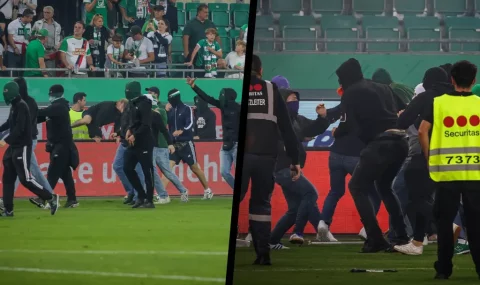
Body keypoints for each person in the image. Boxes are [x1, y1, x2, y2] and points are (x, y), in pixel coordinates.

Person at [336, 58, 409, 253]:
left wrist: (337, 133)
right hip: (401, 142)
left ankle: (375, 238)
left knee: (357, 186)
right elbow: (404, 108)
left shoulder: (351, 92)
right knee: (385, 187)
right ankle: (401, 236)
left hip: (380, 143)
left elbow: (347, 125)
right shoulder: (382, 87)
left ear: (345, 77)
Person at [418, 60, 480, 280]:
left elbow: (422, 131)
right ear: (474, 80)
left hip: (445, 172)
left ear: (451, 80)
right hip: (475, 174)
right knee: (476, 225)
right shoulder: (479, 104)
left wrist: (429, 158)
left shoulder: (438, 103)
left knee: (444, 223)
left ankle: (443, 270)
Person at [242, 54, 300, 265]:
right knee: (261, 205)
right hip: (266, 157)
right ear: (261, 70)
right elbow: (286, 128)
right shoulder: (270, 89)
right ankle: (263, 255)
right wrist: (295, 159)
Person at [393, 66, 454, 255]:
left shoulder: (425, 97)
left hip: (427, 153)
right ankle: (422, 240)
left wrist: (411, 116)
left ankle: (438, 230)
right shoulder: (455, 98)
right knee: (434, 197)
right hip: (456, 156)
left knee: (417, 196)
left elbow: (403, 123)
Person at [268, 82, 334, 248]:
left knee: (295, 209)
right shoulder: (276, 122)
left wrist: (322, 117)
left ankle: (272, 241)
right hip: (284, 168)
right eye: (291, 99)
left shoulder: (298, 120)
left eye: (296, 99)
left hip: (291, 167)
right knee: (311, 193)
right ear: (283, 102)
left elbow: (313, 129)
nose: (295, 102)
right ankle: (298, 232)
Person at [0, 81, 59, 217]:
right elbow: (10, 123)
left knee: (25, 178)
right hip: (14, 146)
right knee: (8, 178)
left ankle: (50, 197)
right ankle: (8, 210)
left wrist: (5, 140)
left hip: (22, 146)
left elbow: (20, 128)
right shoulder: (15, 105)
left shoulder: (22, 106)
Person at [187, 77, 240, 191]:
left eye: (222, 95)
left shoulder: (238, 108)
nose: (220, 97)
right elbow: (206, 97)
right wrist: (193, 86)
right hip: (225, 144)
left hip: (236, 143)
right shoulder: (222, 106)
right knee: (224, 172)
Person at [11, 77, 54, 210]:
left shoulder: (28, 102)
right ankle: (50, 197)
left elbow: (24, 123)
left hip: (27, 140)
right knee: (29, 170)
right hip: (23, 140)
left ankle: (50, 197)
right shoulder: (22, 102)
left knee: (24, 170)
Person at [165, 88, 214, 200]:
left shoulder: (186, 108)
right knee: (167, 169)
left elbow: (190, 123)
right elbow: (168, 125)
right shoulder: (171, 110)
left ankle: (207, 190)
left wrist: (182, 130)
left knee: (194, 168)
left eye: (170, 98)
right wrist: (167, 112)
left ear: (175, 98)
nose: (169, 101)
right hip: (175, 145)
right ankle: (162, 195)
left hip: (186, 143)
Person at [37, 84, 80, 208]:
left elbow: (43, 112)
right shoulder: (57, 107)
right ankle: (72, 199)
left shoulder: (59, 106)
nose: (51, 97)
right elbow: (41, 116)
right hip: (60, 145)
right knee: (65, 174)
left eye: (52, 95)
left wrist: (30, 108)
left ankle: (43, 198)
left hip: (61, 145)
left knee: (52, 172)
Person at [145, 86, 189, 203]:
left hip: (161, 144)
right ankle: (164, 194)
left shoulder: (161, 109)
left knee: (166, 172)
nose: (149, 94)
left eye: (151, 92)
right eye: (148, 92)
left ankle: (179, 191)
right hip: (153, 144)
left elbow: (163, 126)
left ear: (157, 95)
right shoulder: (157, 108)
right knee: (154, 170)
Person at [123, 81, 156, 209]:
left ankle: (149, 200)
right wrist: (128, 129)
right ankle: (141, 195)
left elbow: (146, 124)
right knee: (127, 167)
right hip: (134, 142)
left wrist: (134, 134)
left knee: (148, 171)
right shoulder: (132, 103)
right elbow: (134, 121)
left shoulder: (144, 104)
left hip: (144, 142)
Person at [31, 6, 62, 77]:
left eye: (48, 12)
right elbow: (31, 36)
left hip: (51, 52)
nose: (46, 14)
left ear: (52, 14)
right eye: (44, 12)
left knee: (51, 74)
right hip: (40, 51)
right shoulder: (37, 23)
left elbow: (58, 38)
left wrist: (57, 48)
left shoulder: (57, 26)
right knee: (38, 73)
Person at [7, 8, 34, 77]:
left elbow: (28, 36)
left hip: (24, 51)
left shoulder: (29, 24)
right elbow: (10, 37)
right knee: (13, 71)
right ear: (25, 17)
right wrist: (15, 47)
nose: (31, 20)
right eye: (30, 18)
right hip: (13, 51)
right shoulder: (13, 24)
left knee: (23, 70)